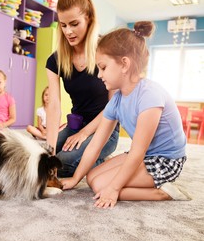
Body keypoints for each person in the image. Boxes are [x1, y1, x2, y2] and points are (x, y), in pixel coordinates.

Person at [61, 21, 189, 208]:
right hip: (145, 156)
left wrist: (114, 189)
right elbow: (95, 145)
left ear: (124, 64)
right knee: (92, 177)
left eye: (103, 67)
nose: (98, 75)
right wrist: (74, 179)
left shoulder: (149, 96)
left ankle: (162, 193)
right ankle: (131, 183)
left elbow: (138, 151)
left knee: (103, 185)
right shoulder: (116, 100)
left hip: (166, 161)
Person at [45, 0, 119, 177]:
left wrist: (85, 133)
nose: (68, 31)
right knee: (45, 161)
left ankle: (102, 161)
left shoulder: (108, 51)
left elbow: (115, 105)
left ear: (89, 19)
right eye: (63, 25)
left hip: (105, 128)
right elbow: (54, 105)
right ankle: (90, 158)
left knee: (64, 165)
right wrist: (49, 151)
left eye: (74, 24)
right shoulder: (55, 60)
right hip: (75, 124)